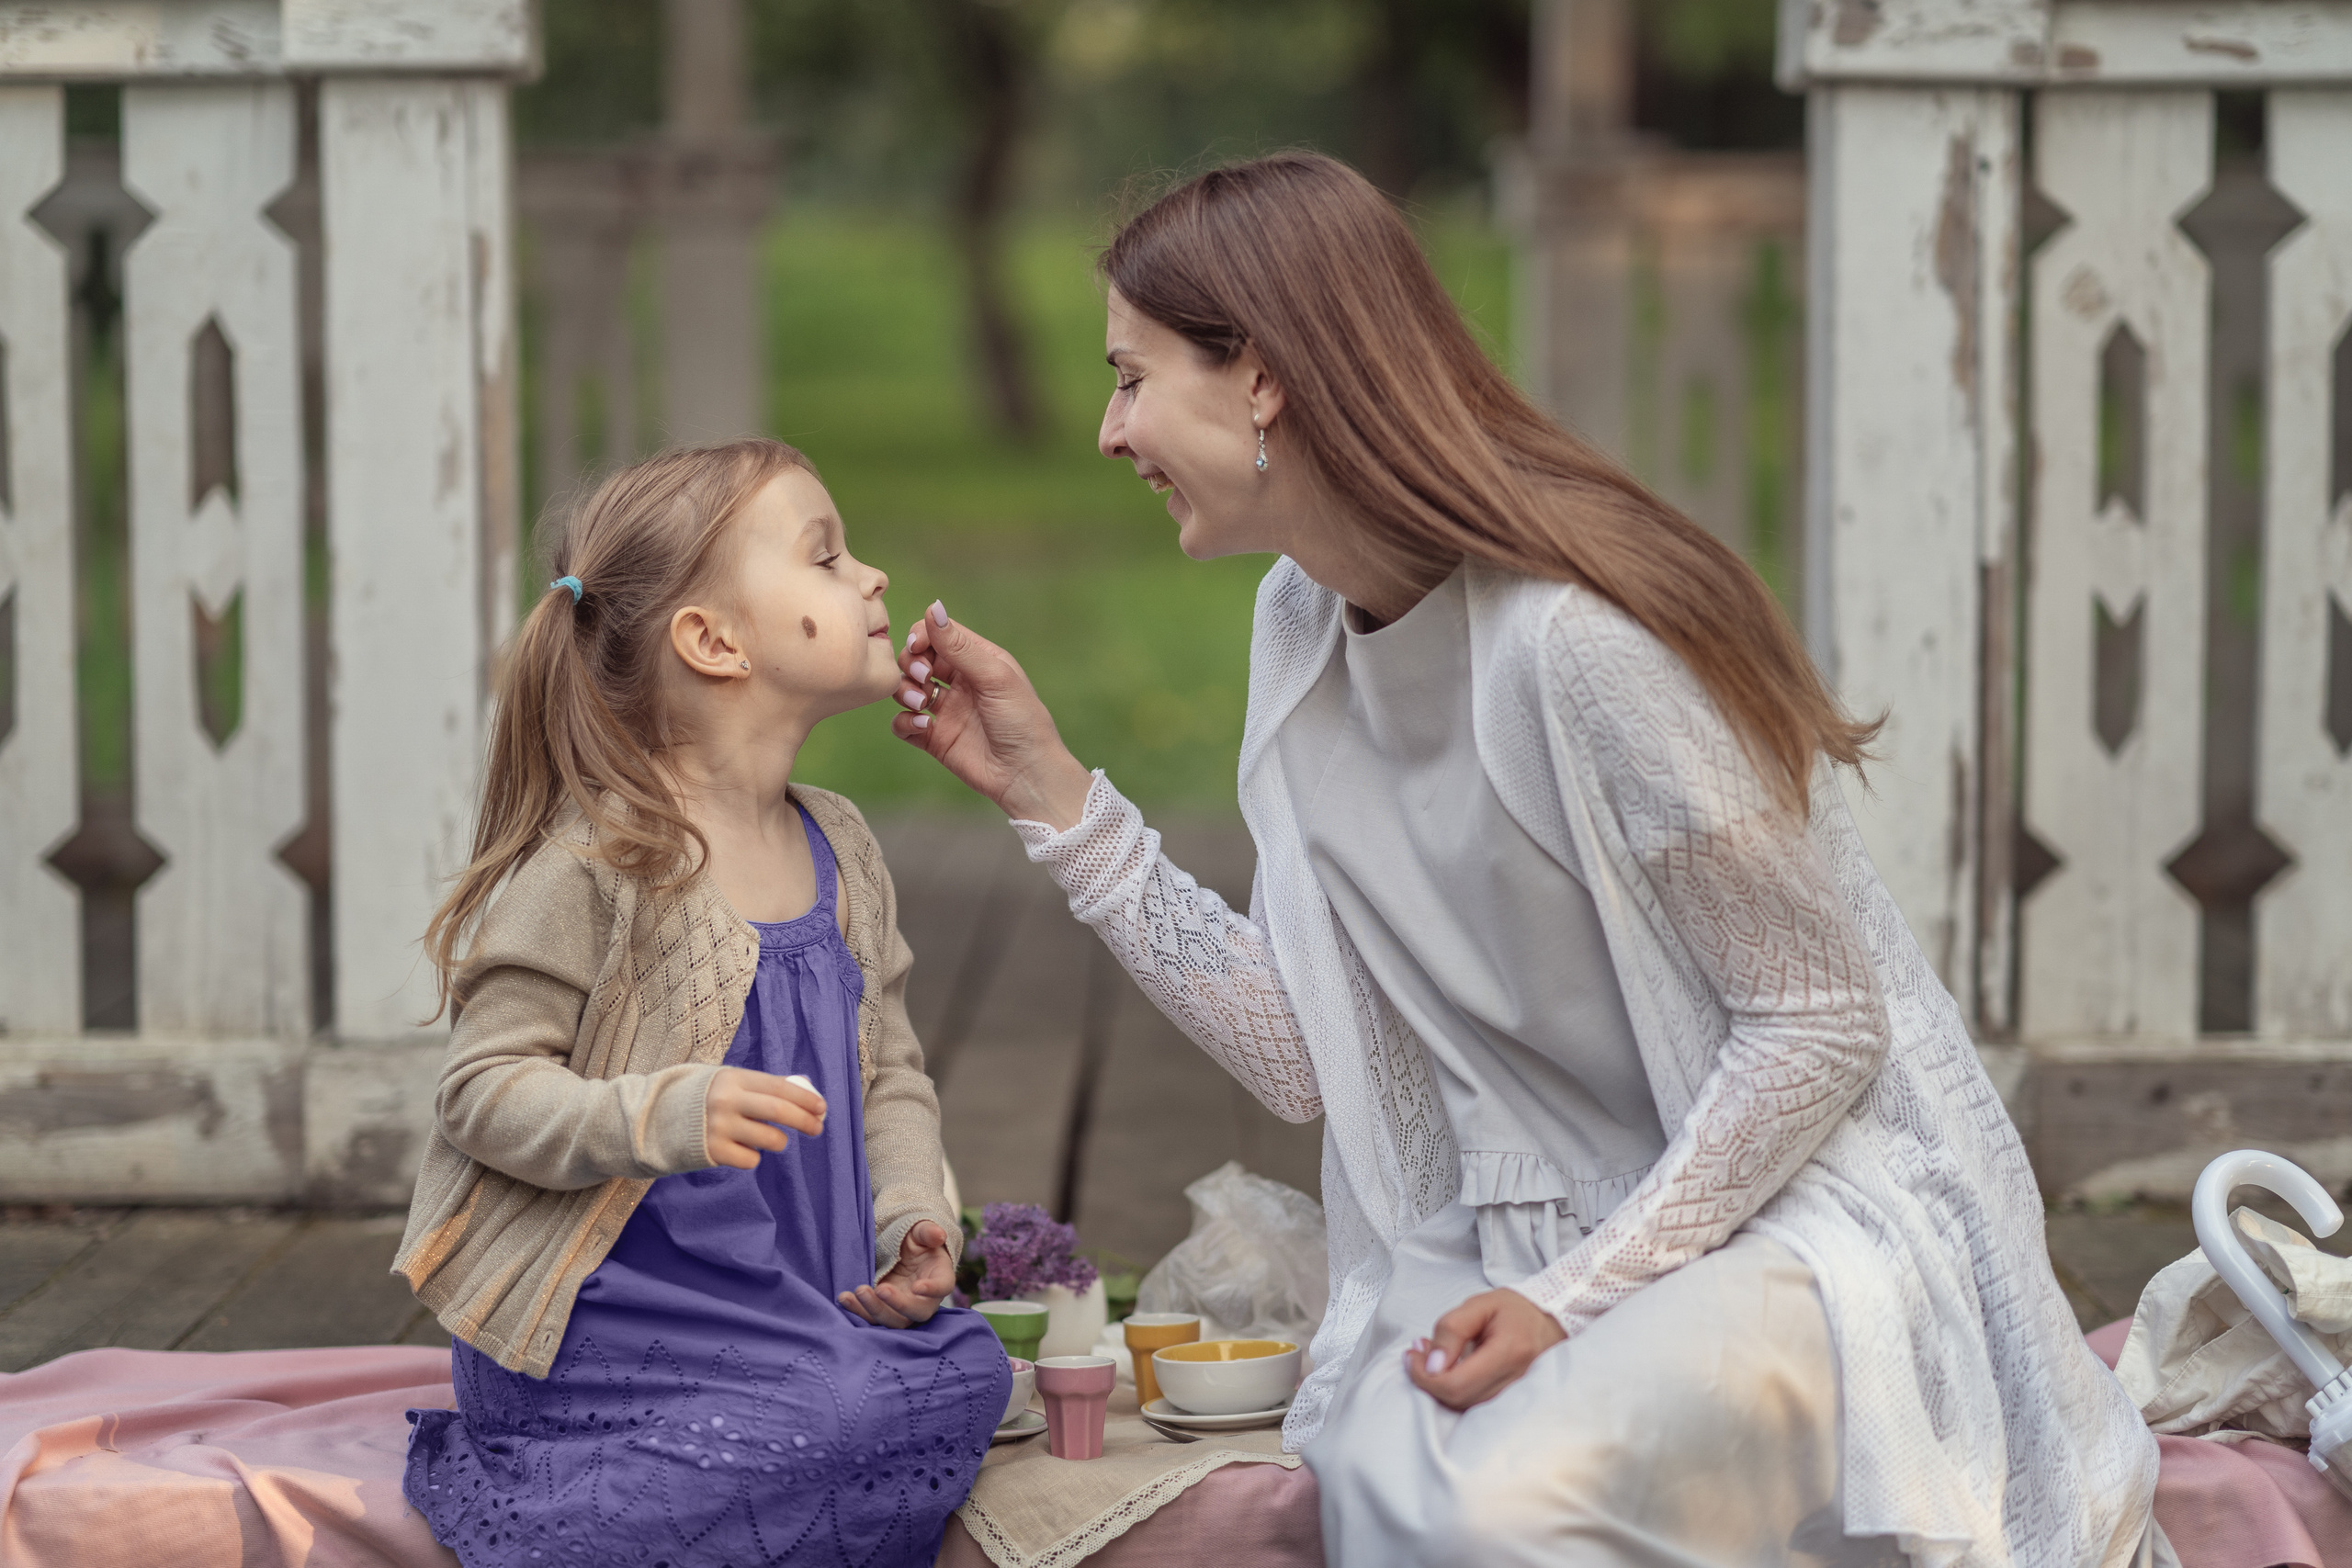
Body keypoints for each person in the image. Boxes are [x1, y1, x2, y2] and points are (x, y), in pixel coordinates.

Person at [886, 154, 2163, 1566]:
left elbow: (1819, 1020)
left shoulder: (1584, 643)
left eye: (1131, 376)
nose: (1108, 428)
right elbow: (1314, 1054)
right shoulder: (1298, 629)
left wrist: (1578, 1294)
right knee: (1375, 1474)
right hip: (1501, 1237)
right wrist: (1054, 795)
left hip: (1781, 1223)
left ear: (1260, 375)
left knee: (1505, 1505)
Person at [392, 439, 1009, 1568]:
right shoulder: (596, 864)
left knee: (972, 1373)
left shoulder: (844, 846)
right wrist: (661, 1112)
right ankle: (544, 1499)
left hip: (786, 1304)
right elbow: (481, 1092)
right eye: (826, 557)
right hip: (614, 1325)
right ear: (713, 642)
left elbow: (891, 1073)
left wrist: (909, 1219)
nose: (870, 578)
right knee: (835, 1411)